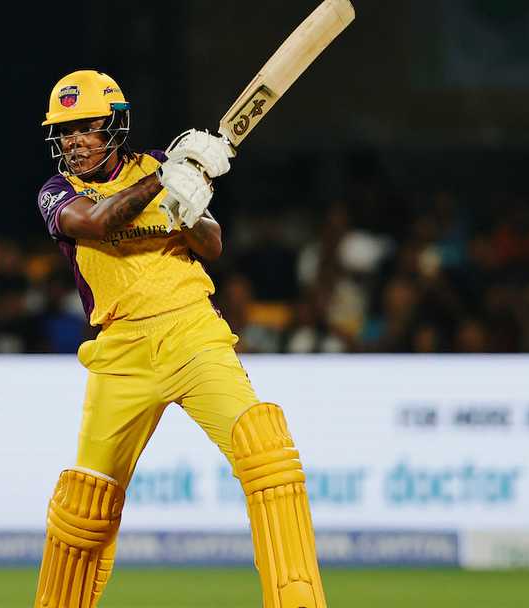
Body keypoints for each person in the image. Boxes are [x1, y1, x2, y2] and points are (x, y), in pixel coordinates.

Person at [32, 70, 328, 608]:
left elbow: (212, 245)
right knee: (84, 507)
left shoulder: (158, 166)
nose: (73, 141)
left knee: (265, 450)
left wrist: (188, 208)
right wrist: (167, 179)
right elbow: (97, 223)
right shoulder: (59, 192)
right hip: (120, 352)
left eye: (85, 127)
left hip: (192, 333)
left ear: (113, 126)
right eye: (65, 131)